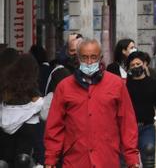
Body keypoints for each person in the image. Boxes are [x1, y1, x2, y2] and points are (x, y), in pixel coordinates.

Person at [44, 39, 141, 168]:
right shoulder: (64, 87)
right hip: (75, 160)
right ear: (78, 59)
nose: (89, 62)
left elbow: (127, 122)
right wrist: (51, 159)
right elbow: (54, 126)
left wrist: (132, 158)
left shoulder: (116, 84)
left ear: (100, 58)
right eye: (84, 58)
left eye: (93, 57)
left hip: (107, 158)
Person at [125, 51, 156, 166]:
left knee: (148, 158)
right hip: (129, 128)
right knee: (129, 161)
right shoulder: (125, 85)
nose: (136, 67)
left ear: (145, 64)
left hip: (147, 127)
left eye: (138, 64)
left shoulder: (153, 84)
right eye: (132, 65)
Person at [0, 54, 46, 166]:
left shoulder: (6, 86)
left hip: (5, 141)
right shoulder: (32, 90)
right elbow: (39, 104)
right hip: (27, 137)